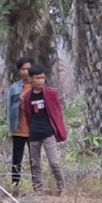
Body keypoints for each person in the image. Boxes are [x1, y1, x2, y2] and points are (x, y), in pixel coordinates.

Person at [23, 64, 67, 194]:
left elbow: (57, 112)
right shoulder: (27, 97)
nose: (40, 81)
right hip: (34, 133)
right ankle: (38, 189)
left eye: (42, 78)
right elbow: (27, 114)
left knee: (54, 162)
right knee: (35, 163)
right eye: (37, 78)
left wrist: (59, 130)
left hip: (48, 132)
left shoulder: (50, 93)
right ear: (31, 79)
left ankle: (61, 188)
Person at [7, 56, 34, 196]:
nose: (25, 72)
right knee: (17, 160)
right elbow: (9, 109)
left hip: (34, 130)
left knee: (34, 160)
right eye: (22, 69)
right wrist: (10, 127)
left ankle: (37, 187)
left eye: (28, 69)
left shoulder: (38, 87)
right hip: (18, 129)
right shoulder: (14, 88)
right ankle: (15, 187)